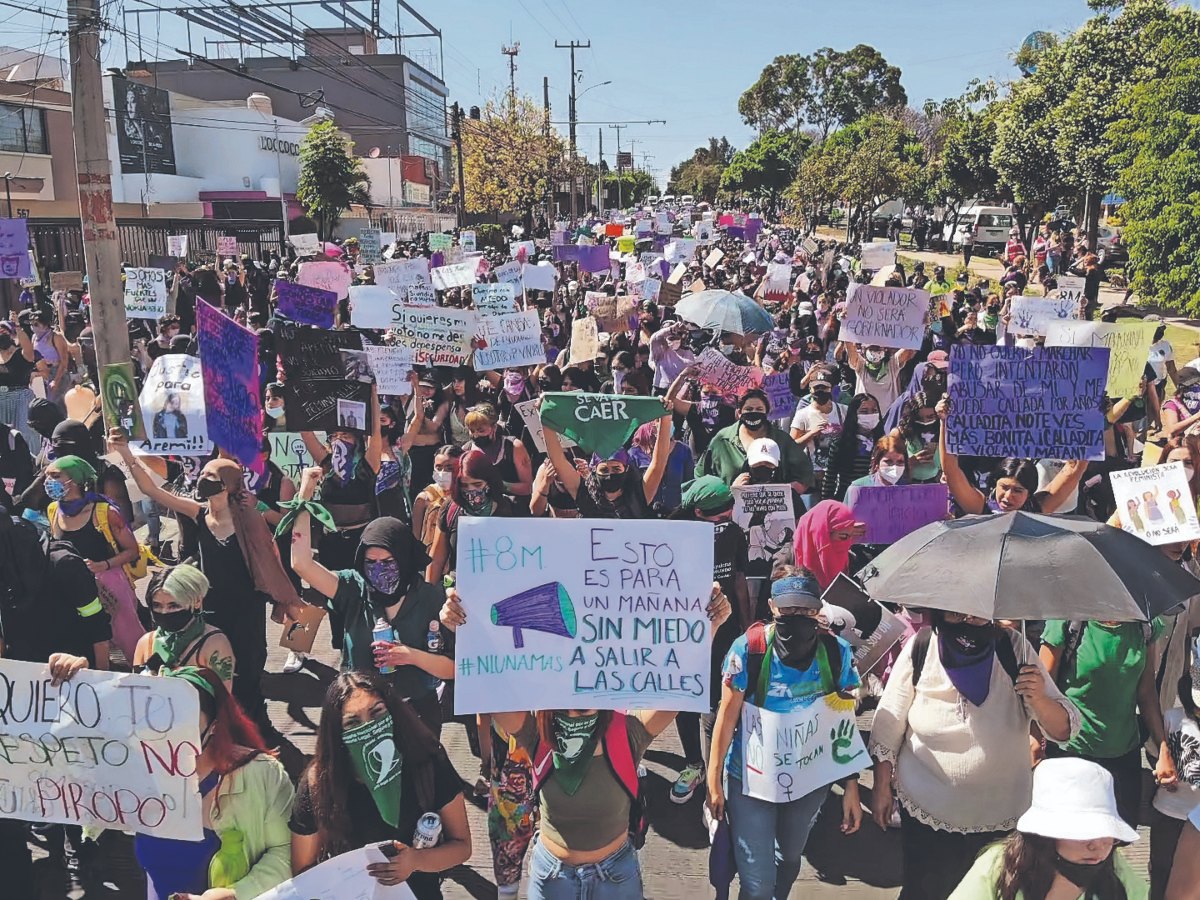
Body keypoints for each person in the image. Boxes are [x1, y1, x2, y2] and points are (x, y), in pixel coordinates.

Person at [439, 584, 731, 900]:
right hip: (553, 879)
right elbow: (487, 684)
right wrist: (464, 631)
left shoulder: (627, 731)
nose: (580, 687)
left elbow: (682, 687)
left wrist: (707, 628)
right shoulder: (536, 731)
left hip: (616, 877)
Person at [869, 612, 1080, 900]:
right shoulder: (922, 646)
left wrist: (1040, 699)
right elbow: (887, 724)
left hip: (1001, 821)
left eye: (977, 614)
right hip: (926, 815)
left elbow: (1063, 730)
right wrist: (881, 786)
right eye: (956, 612)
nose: (968, 619)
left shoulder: (1014, 649)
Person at [113, 433, 302, 723]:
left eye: (210, 475)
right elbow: (152, 490)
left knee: (248, 670)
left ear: (227, 485)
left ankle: (255, 728)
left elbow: (269, 562)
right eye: (202, 473)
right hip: (209, 608)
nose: (202, 479)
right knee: (213, 671)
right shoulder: (197, 513)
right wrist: (126, 452)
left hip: (245, 609)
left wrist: (286, 600)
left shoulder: (249, 518)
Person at [707, 568, 862, 900]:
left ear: (817, 610)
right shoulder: (747, 650)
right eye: (788, 609)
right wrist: (713, 780)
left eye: (805, 610)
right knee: (757, 883)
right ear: (772, 607)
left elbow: (842, 720)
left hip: (809, 781)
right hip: (751, 780)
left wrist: (851, 786)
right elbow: (726, 714)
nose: (797, 617)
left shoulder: (836, 653)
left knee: (789, 858)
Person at [289, 671, 472, 900]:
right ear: (337, 733)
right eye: (353, 722)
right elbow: (303, 872)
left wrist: (415, 861)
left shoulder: (426, 761)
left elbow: (462, 846)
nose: (369, 727)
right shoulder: (319, 782)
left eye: (377, 712)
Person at [289, 478, 451, 732]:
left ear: (404, 558)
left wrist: (409, 656)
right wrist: (304, 498)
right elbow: (301, 564)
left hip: (417, 716)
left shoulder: (431, 598)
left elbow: (452, 668)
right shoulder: (354, 588)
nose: (378, 571)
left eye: (387, 562)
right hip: (361, 718)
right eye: (370, 562)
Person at [128, 666, 295, 900]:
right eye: (161, 720)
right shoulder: (137, 771)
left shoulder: (261, 774)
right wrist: (74, 681)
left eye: (184, 722)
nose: (170, 732)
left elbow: (286, 851)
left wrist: (236, 894)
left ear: (214, 726)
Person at [1040, 614, 1175, 828]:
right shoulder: (1068, 619)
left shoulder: (1145, 626)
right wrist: (1034, 739)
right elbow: (1042, 686)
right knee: (1071, 838)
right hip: (1072, 753)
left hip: (1124, 756)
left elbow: (1147, 692)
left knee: (1116, 838)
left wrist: (1163, 749)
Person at [950, 757, 1147, 900]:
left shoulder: (1116, 870)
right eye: (1084, 834)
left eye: (1108, 836)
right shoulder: (1000, 865)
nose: (1098, 847)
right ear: (1045, 835)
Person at [44, 454, 146, 661]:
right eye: (47, 475)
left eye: (55, 475)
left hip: (109, 587)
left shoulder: (105, 512)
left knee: (129, 641)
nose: (48, 482)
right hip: (74, 588)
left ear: (75, 480)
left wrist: (103, 565)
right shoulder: (54, 510)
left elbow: (132, 550)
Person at [939, 398, 1088, 514]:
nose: (1008, 496)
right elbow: (951, 471)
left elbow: (1074, 468)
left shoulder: (1037, 508)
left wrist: (1093, 419)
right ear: (994, 484)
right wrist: (945, 422)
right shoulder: (980, 507)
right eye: (1004, 487)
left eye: (1018, 490)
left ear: (1029, 492)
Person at [132, 564, 236, 692]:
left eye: (174, 605)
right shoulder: (146, 642)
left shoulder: (214, 643)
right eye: (157, 605)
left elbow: (223, 698)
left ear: (197, 602)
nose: (164, 612)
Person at [696, 388, 812, 497]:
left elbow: (805, 477)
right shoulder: (722, 440)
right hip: (730, 512)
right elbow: (701, 478)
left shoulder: (782, 439)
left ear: (767, 412)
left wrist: (780, 491)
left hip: (776, 510)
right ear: (739, 413)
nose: (754, 412)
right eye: (749, 409)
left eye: (759, 409)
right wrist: (731, 492)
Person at [427, 449, 518, 582]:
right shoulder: (451, 508)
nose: (471, 490)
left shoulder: (510, 509)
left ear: (489, 482)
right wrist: (429, 595)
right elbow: (437, 559)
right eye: (464, 485)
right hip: (459, 593)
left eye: (477, 484)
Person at [821, 393, 884, 501]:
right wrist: (827, 505)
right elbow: (829, 480)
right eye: (864, 412)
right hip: (848, 499)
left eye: (874, 411)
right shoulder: (840, 444)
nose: (870, 415)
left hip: (876, 499)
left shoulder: (884, 443)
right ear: (854, 414)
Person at [0, 317, 38, 449]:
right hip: (1, 400)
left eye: (4, 333)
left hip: (21, 398)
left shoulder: (22, 354)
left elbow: (28, 346)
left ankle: (31, 462)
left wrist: (16, 326)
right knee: (4, 438)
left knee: (25, 434)